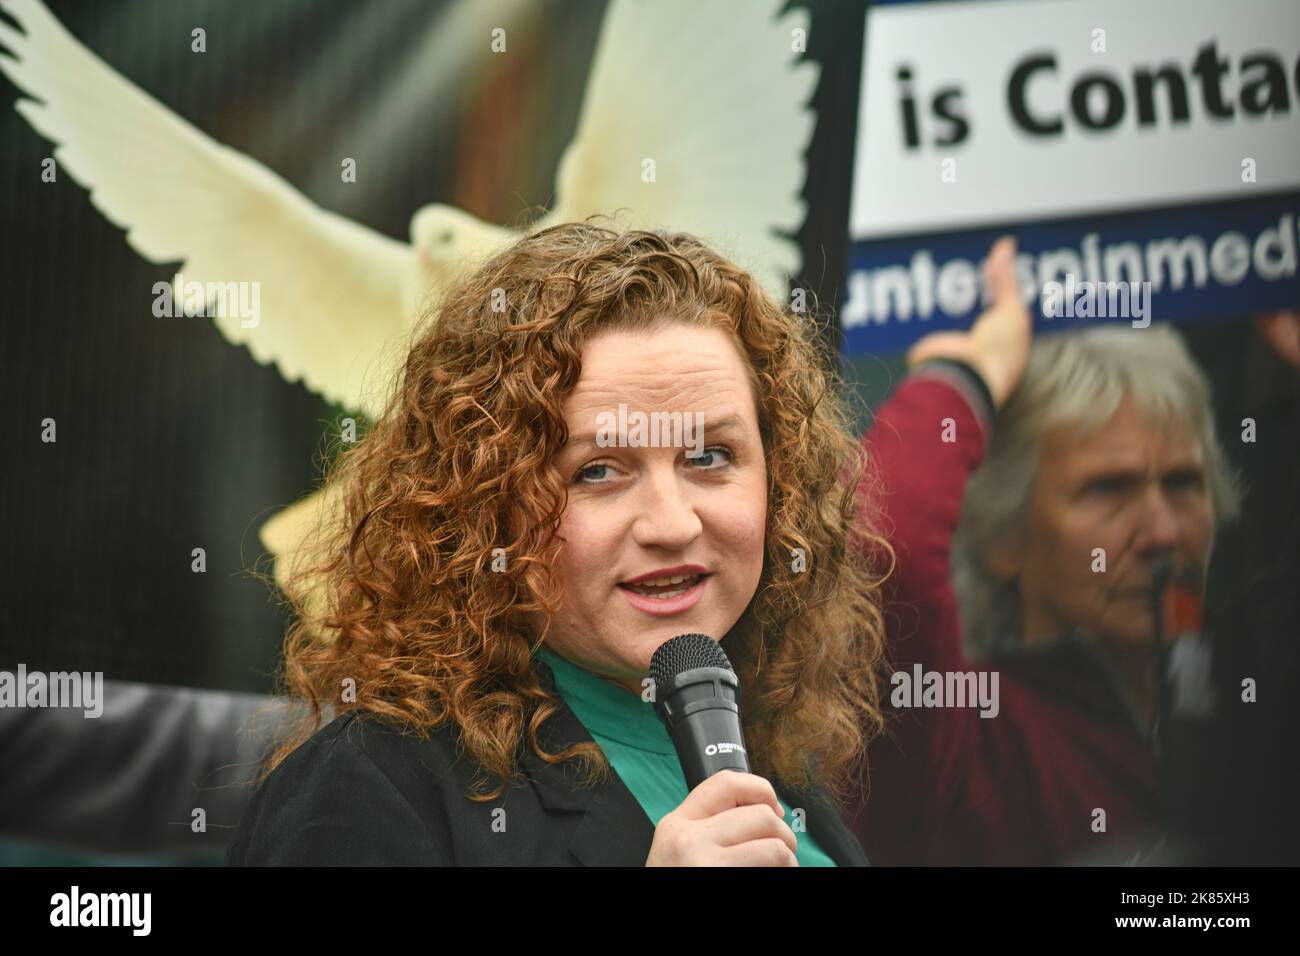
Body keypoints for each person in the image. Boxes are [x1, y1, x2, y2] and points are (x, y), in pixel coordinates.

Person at [226, 221, 891, 866]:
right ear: (485, 507)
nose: (672, 524)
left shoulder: (768, 758)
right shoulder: (367, 789)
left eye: (710, 455)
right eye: (597, 470)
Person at [846, 237, 1246, 865]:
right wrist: (962, 378)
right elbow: (881, 547)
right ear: (1003, 535)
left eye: (1183, 483)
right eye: (1108, 489)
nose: (1164, 532)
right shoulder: (967, 735)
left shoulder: (1260, 705)